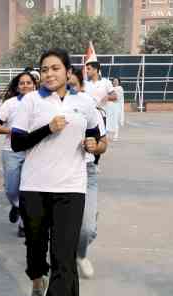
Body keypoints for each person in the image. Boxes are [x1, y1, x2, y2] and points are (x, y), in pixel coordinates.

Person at [11, 48, 104, 296]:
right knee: (36, 248)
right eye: (44, 69)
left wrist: (95, 146)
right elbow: (17, 142)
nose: (49, 74)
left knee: (63, 256)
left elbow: (99, 140)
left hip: (71, 189)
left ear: (67, 71)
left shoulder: (84, 103)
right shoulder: (31, 102)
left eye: (55, 68)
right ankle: (37, 283)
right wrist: (47, 129)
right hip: (35, 186)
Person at [68, 67, 109, 279]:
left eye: (72, 85)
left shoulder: (87, 106)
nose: (67, 89)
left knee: (86, 230)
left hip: (86, 171)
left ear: (81, 87)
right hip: (58, 174)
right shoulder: (45, 107)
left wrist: (94, 146)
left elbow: (103, 143)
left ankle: (80, 255)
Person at [0, 71, 38, 238]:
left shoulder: (43, 103)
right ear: (17, 87)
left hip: (34, 152)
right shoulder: (10, 104)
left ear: (35, 84)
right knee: (11, 189)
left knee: (29, 189)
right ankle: (16, 204)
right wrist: (13, 130)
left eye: (28, 82)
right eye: (22, 83)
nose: (25, 85)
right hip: (12, 151)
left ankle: (23, 224)